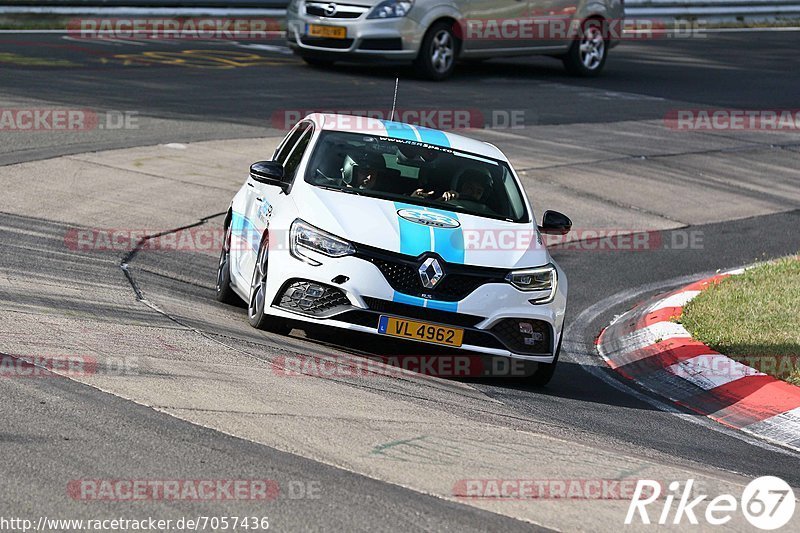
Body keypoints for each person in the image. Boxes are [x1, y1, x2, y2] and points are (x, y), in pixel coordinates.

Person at [411, 169, 491, 203]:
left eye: (479, 192)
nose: (473, 193)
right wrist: (413, 200)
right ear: (459, 186)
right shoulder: (446, 198)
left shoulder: (487, 212)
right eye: (470, 188)